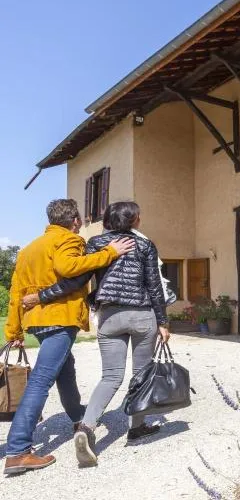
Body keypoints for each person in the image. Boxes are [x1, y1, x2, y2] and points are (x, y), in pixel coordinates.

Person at [23, 201, 171, 468]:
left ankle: (86, 428)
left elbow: (76, 281)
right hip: (141, 315)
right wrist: (163, 322)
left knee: (111, 376)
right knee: (141, 375)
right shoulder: (145, 245)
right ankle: (136, 428)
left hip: (110, 317)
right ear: (134, 220)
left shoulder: (95, 244)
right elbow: (154, 285)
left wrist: (42, 296)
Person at [3, 199, 134, 475]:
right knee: (40, 380)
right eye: (79, 221)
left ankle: (78, 417)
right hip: (59, 319)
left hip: (36, 322)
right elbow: (69, 268)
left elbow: (16, 292)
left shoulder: (28, 250)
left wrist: (14, 330)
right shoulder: (69, 241)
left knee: (66, 369)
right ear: (75, 221)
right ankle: (17, 450)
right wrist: (110, 252)